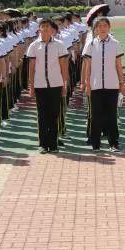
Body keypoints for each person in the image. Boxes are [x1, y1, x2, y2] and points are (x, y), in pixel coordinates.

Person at [82, 17, 125, 152]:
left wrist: (121, 83)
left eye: (104, 25)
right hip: (95, 85)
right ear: (95, 29)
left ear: (109, 27)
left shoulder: (115, 44)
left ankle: (114, 142)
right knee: (96, 115)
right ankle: (96, 143)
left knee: (111, 115)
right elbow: (87, 66)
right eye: (99, 26)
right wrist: (86, 83)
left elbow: (118, 65)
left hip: (112, 85)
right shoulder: (91, 44)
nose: (102, 28)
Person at [27, 19, 70, 153]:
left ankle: (53, 143)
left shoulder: (59, 45)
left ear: (52, 30)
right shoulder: (34, 46)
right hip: (40, 85)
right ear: (39, 29)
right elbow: (32, 68)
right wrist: (31, 86)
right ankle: (43, 144)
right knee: (42, 115)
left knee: (54, 114)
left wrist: (64, 84)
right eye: (43, 27)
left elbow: (63, 66)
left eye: (48, 27)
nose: (45, 29)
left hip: (56, 84)